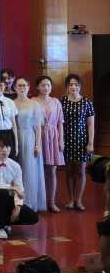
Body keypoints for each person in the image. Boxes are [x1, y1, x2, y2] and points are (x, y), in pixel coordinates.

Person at [0, 136, 39, 239]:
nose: (5, 150)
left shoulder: (15, 166)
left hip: (7, 199)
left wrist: (18, 206)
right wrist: (12, 188)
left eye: (7, 147)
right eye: (1, 147)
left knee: (32, 216)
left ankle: (4, 221)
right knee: (2, 192)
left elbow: (20, 189)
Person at [61, 73, 95, 211]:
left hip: (82, 140)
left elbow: (91, 125)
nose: (73, 87)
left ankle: (79, 200)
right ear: (67, 87)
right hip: (66, 140)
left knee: (81, 171)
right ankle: (70, 200)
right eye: (71, 84)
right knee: (69, 171)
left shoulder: (87, 102)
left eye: (76, 84)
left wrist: (90, 143)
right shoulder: (62, 101)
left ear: (80, 86)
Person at [32, 75, 64, 213]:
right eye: (43, 85)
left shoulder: (56, 102)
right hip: (37, 137)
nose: (46, 87)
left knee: (51, 171)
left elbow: (60, 123)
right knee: (37, 171)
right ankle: (38, 201)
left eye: (48, 85)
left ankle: (51, 202)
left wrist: (61, 139)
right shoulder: (33, 101)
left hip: (53, 137)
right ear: (37, 87)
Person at [14, 78, 46, 212]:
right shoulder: (11, 103)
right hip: (14, 137)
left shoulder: (34, 104)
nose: (22, 88)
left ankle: (29, 203)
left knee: (29, 170)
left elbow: (38, 127)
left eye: (24, 85)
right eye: (19, 85)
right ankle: (16, 202)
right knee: (16, 170)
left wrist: (37, 145)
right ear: (15, 88)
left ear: (28, 87)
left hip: (29, 138)